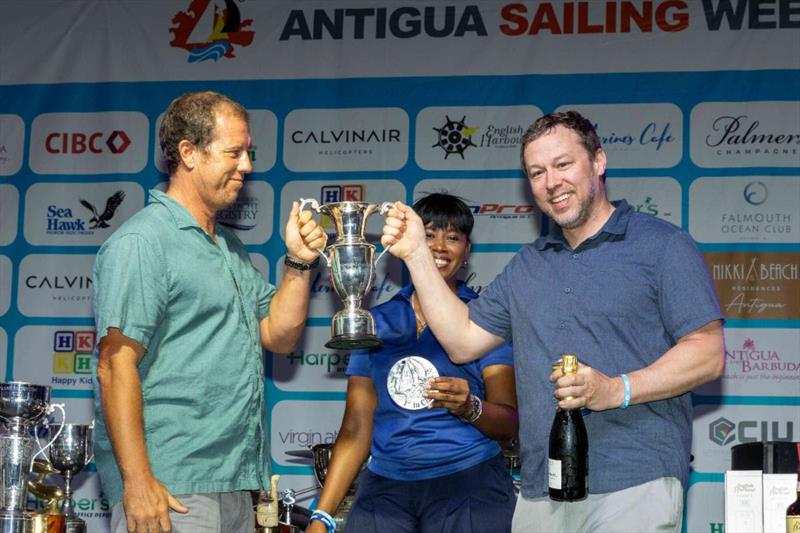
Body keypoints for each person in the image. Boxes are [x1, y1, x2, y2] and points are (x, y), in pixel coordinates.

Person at [380, 111, 725, 533]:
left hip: (634, 480)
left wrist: (616, 389)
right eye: (537, 172)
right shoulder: (528, 264)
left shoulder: (661, 245)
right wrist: (416, 255)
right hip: (542, 491)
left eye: (563, 165)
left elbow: (707, 353)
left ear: (598, 161)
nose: (551, 182)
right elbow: (462, 341)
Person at [93, 91, 326, 533]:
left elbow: (278, 334)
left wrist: (297, 263)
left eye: (248, 153)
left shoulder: (228, 246)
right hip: (171, 485)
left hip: (235, 481)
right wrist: (138, 482)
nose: (247, 166)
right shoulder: (143, 242)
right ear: (188, 154)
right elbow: (114, 363)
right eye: (234, 153)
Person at [307, 193, 518, 533]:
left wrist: (470, 407)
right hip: (387, 483)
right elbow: (356, 429)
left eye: (453, 237)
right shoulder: (374, 322)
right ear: (407, 243)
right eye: (429, 234)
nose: (439, 247)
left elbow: (509, 423)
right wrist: (321, 516)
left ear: (466, 250)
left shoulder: (482, 320)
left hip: (469, 478)